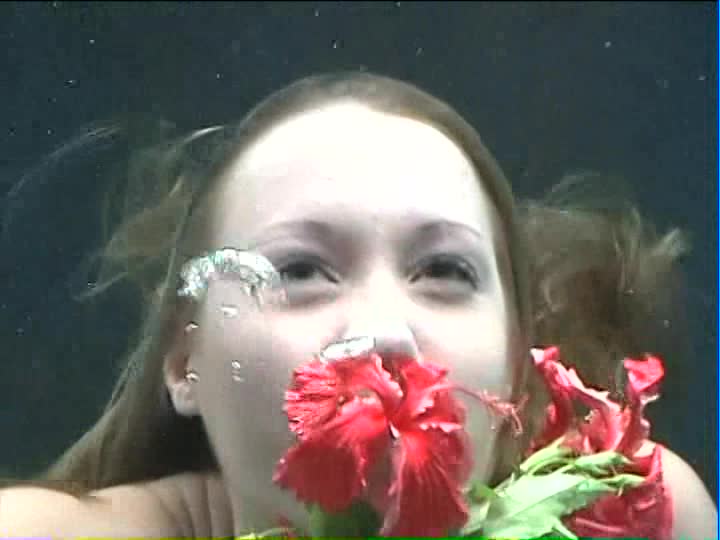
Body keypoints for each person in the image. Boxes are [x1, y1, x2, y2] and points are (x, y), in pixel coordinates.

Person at [0, 71, 715, 538]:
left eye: (444, 270)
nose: (383, 333)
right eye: (301, 270)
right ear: (186, 358)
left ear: (519, 360)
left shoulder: (640, 512)